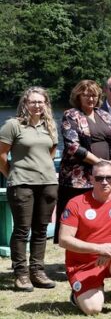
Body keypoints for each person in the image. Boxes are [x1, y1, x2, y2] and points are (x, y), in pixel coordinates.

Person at [58, 160, 111, 318]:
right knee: (93, 309)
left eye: (109, 178)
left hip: (110, 258)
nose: (104, 182)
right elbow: (64, 240)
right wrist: (99, 248)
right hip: (83, 265)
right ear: (91, 179)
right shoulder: (76, 203)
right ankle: (78, 295)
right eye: (99, 178)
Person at [0, 87, 59, 290]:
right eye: (33, 101)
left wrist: (41, 167)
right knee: (22, 229)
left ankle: (37, 271)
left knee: (41, 229)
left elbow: (51, 151)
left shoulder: (50, 125)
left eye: (40, 102)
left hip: (48, 184)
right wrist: (12, 174)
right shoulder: (13, 125)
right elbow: (1, 155)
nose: (37, 105)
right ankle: (21, 274)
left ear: (45, 104)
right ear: (25, 103)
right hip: (22, 184)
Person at [56, 80, 111, 243]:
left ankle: (100, 249)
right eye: (86, 95)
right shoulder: (71, 115)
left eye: (94, 95)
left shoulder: (104, 115)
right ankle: (76, 251)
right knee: (78, 219)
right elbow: (72, 146)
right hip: (78, 179)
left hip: (103, 177)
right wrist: (99, 163)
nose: (91, 99)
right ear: (78, 96)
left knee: (100, 217)